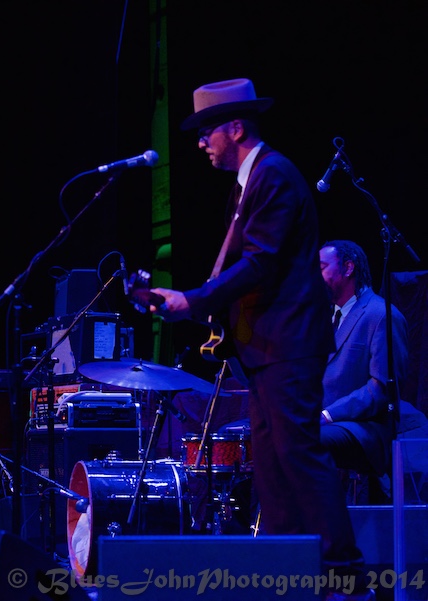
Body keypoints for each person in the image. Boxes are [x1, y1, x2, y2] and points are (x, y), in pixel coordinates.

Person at [147, 78, 371, 600]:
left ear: (235, 127)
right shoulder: (249, 183)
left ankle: (346, 576)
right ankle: (291, 570)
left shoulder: (273, 176)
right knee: (271, 460)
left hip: (289, 342)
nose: (201, 142)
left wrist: (195, 300)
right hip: (267, 346)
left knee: (298, 454)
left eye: (207, 132)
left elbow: (262, 262)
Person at [320, 239, 428, 503]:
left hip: (367, 426)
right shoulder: (325, 317)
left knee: (306, 440)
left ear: (348, 268)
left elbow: (380, 390)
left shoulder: (381, 315)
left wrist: (327, 414)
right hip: (331, 421)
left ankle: (324, 526)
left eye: (321, 267)